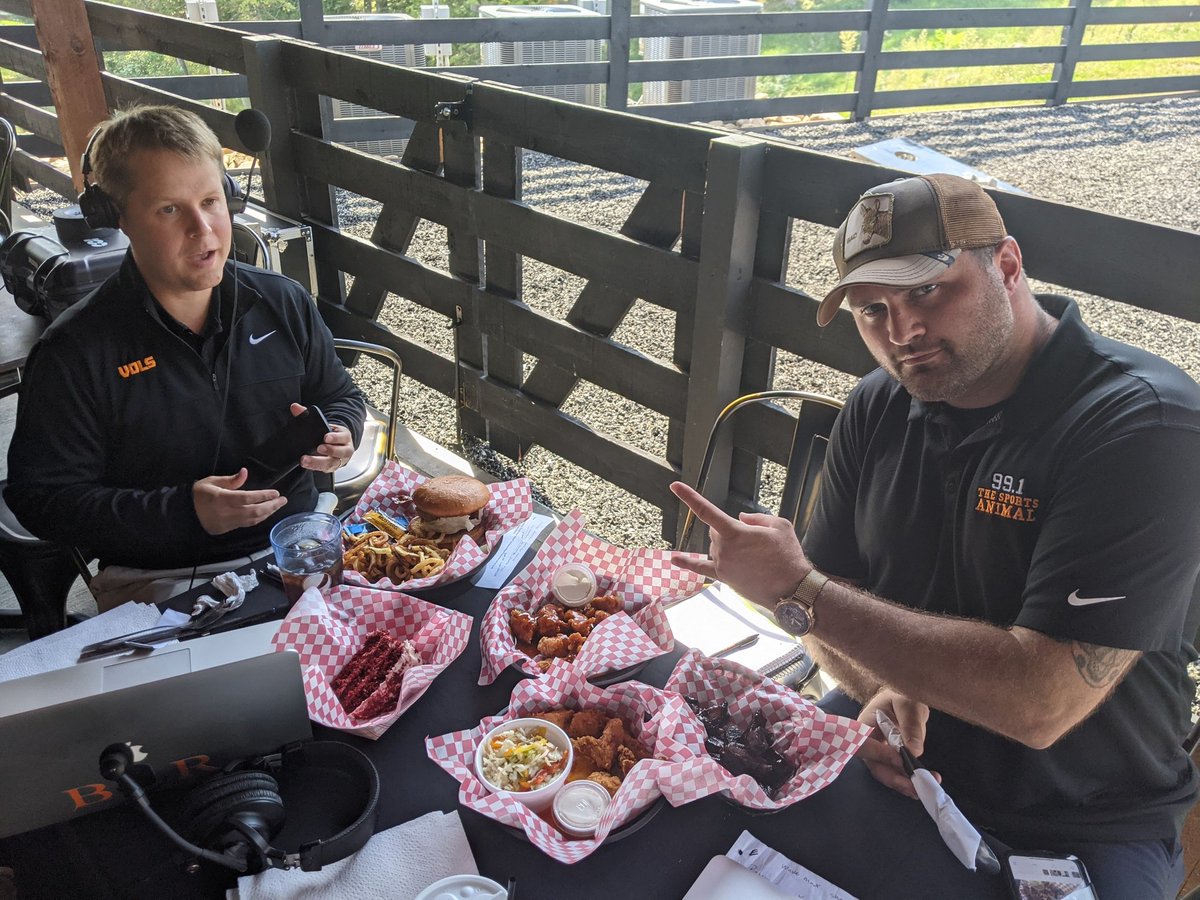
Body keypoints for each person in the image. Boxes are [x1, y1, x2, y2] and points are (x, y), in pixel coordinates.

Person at [672, 173, 1200, 898]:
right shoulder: (879, 401)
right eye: (872, 309)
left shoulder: (1142, 426)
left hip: (1081, 816)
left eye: (926, 290)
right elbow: (827, 604)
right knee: (684, 841)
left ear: (1008, 266)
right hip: (894, 750)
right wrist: (880, 681)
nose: (900, 331)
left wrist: (798, 592)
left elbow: (1041, 703)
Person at [5, 105, 366, 610]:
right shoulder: (75, 351)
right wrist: (183, 511)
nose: (204, 229)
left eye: (211, 200)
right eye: (170, 209)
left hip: (303, 548)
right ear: (117, 218)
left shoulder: (283, 301)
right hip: (159, 582)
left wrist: (341, 433)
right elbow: (42, 500)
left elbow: (340, 395)